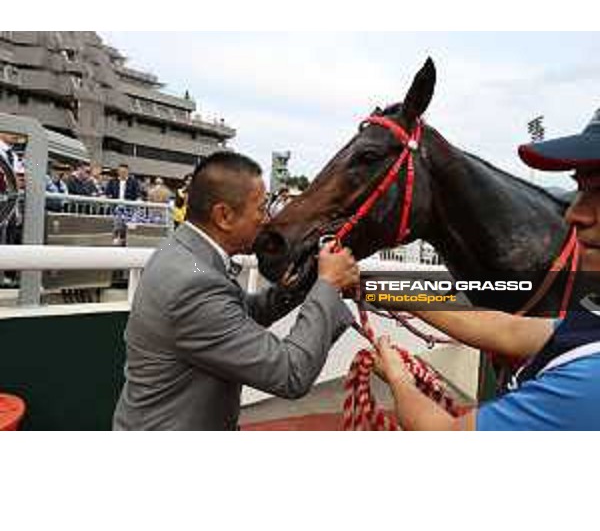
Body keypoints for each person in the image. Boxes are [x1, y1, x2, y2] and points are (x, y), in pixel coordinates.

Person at [374, 108, 600, 431]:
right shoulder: (592, 319)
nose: (573, 214)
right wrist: (378, 286)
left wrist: (399, 379)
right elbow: (509, 331)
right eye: (581, 189)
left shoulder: (587, 380)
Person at [113, 152, 359, 431]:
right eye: (261, 208)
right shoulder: (193, 285)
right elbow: (291, 373)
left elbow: (240, 312)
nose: (266, 220)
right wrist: (328, 285)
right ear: (224, 216)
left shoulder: (184, 253)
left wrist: (296, 287)